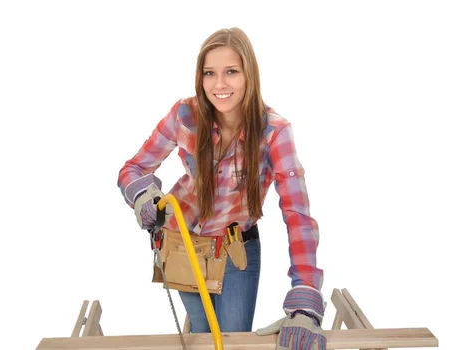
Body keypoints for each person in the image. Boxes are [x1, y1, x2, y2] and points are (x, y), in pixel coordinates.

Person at [117, 27, 326, 349]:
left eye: (231, 72)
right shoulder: (184, 114)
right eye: (209, 73)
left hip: (236, 250)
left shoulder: (275, 131)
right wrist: (144, 195)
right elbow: (134, 168)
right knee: (202, 335)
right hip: (183, 243)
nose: (219, 84)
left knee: (233, 341)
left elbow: (298, 215)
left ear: (249, 75)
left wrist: (305, 302)